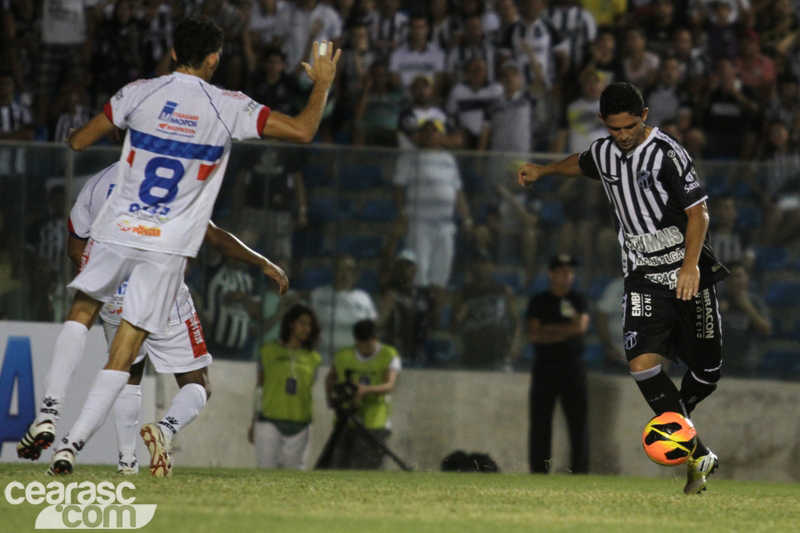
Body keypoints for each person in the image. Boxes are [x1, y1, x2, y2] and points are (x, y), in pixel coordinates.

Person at [16, 15, 339, 476]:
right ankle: (71, 445)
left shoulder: (137, 92)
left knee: (83, 310)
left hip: (119, 227)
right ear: (213, 59)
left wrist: (77, 132)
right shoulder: (228, 104)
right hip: (169, 246)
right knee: (125, 354)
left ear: (171, 52)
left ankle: (49, 411)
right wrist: (322, 85)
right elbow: (304, 130)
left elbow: (80, 142)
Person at [518, 82, 729, 494]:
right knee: (641, 364)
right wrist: (542, 170)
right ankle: (696, 451)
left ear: (645, 115)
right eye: (614, 129)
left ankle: (679, 429)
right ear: (602, 123)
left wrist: (689, 267)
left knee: (707, 372)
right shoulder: (604, 152)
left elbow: (699, 214)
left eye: (630, 126)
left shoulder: (667, 153)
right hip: (643, 274)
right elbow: (579, 162)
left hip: (687, 270)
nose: (623, 135)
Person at [57, 162, 288, 476]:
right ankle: (164, 430)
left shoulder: (95, 183)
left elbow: (75, 248)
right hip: (161, 294)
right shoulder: (170, 181)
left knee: (127, 373)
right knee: (198, 384)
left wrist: (110, 277)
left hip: (114, 296)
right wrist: (262, 262)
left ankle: (127, 463)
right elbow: (215, 238)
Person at [526, 254, 590, 474]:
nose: (567, 275)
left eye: (570, 271)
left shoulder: (578, 300)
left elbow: (579, 328)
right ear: (551, 274)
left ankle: (580, 472)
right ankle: (538, 471)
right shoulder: (539, 301)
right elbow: (534, 334)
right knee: (541, 422)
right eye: (562, 271)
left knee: (578, 423)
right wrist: (565, 332)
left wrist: (549, 330)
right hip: (545, 366)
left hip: (572, 367)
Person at [249, 304, 322, 469]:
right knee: (266, 473)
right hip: (269, 420)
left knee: (295, 476)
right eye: (302, 323)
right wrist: (253, 421)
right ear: (291, 324)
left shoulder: (314, 358)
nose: (306, 328)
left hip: (300, 423)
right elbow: (259, 387)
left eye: (309, 325)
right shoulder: (268, 351)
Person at [324, 319, 401, 469]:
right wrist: (330, 398)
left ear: (376, 338)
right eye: (362, 346)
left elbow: (389, 385)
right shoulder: (343, 356)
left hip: (375, 421)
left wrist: (365, 391)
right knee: (339, 466)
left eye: (370, 345)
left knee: (367, 467)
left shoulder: (389, 355)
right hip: (346, 420)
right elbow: (331, 377)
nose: (366, 350)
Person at [451, 249, 521, 370]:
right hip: (471, 358)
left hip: (499, 358)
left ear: (491, 266)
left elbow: (516, 321)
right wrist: (458, 318)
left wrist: (515, 344)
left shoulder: (504, 291)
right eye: (476, 262)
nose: (480, 266)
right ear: (471, 267)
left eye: (484, 262)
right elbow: (452, 329)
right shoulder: (462, 294)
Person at [310, 253, 378, 361]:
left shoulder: (364, 299)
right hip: (323, 361)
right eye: (340, 269)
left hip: (352, 362)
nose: (344, 274)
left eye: (349, 270)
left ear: (356, 274)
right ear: (333, 271)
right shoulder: (318, 295)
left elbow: (371, 332)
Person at [717, 261, 771, 376]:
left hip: (746, 364)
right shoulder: (717, 300)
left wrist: (748, 308)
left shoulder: (755, 302)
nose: (735, 281)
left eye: (739, 276)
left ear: (747, 278)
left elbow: (766, 330)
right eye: (731, 277)